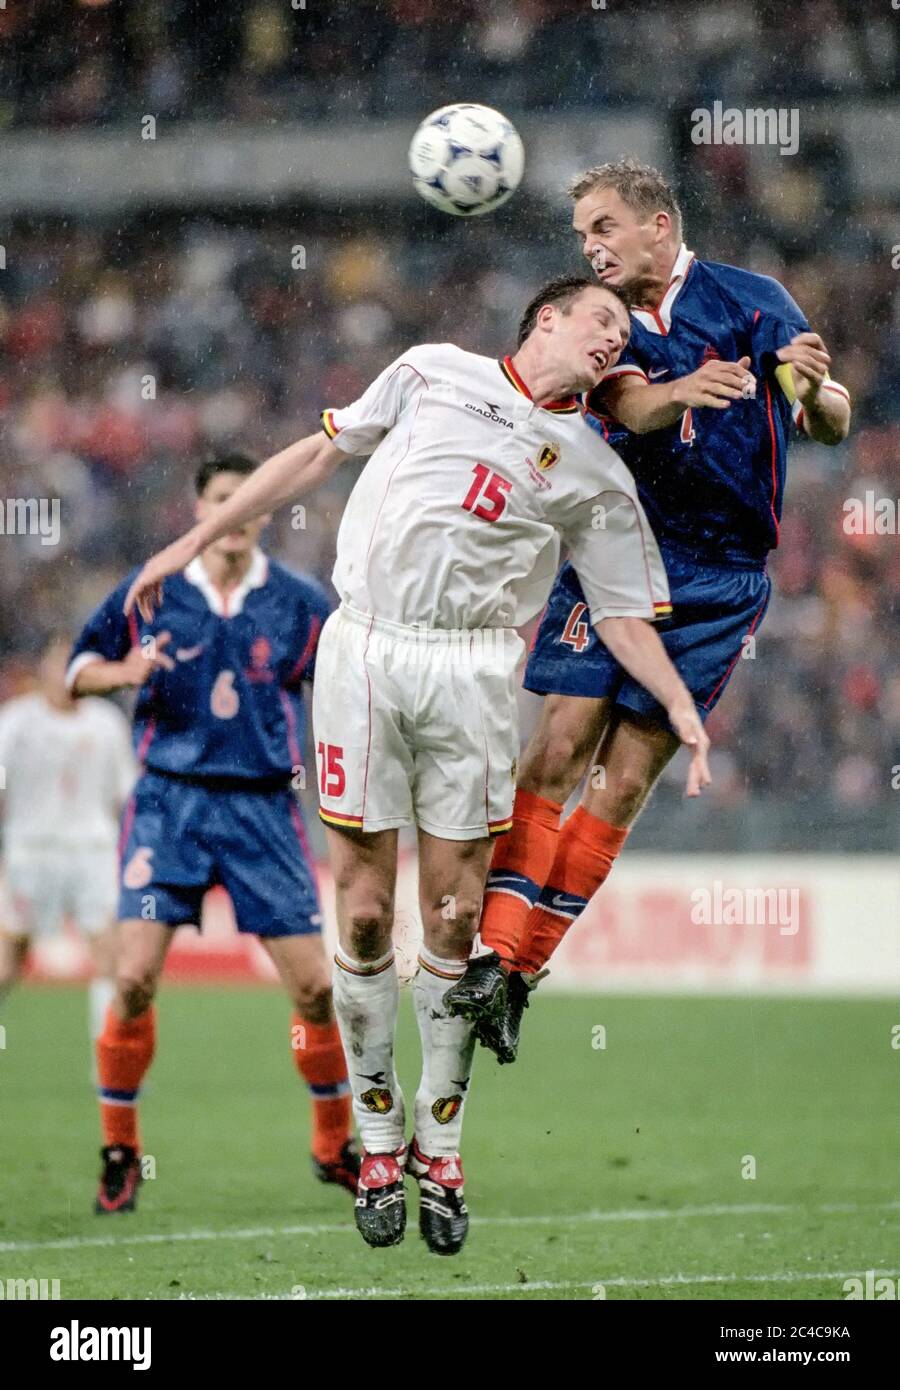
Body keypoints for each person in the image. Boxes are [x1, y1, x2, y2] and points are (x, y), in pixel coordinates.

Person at [124, 277, 710, 1254]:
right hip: (366, 647)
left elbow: (618, 615)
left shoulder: (597, 471)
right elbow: (320, 449)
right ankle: (378, 1133)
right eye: (603, 321)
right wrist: (197, 536)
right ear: (548, 319)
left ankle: (443, 1144)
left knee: (450, 919)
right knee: (359, 913)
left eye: (628, 332)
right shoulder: (433, 371)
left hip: (476, 670)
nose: (617, 338)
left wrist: (685, 707)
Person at [446, 159, 851, 1064]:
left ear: (657, 226)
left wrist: (813, 392)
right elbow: (627, 403)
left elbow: (826, 414)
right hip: (615, 552)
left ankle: (519, 977)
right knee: (556, 748)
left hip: (725, 577)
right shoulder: (608, 325)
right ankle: (489, 953)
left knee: (623, 785)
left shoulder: (752, 300)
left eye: (602, 227)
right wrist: (685, 391)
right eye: (583, 233)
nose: (590, 247)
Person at [68, 454, 357, 1213]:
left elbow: (342, 690)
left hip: (264, 811)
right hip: (170, 807)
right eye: (222, 498)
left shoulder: (297, 602)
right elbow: (78, 670)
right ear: (199, 509)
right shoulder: (152, 590)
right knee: (131, 980)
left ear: (261, 511)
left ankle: (334, 1146)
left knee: (317, 988)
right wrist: (125, 671)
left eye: (248, 500)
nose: (236, 512)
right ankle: (120, 1150)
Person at [0, 633, 135, 1052]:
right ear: (42, 670)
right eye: (59, 665)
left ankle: (108, 1058)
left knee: (109, 953)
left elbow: (125, 795)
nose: (66, 675)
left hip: (93, 853)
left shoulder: (106, 723)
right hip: (30, 851)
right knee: (9, 957)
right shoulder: (16, 721)